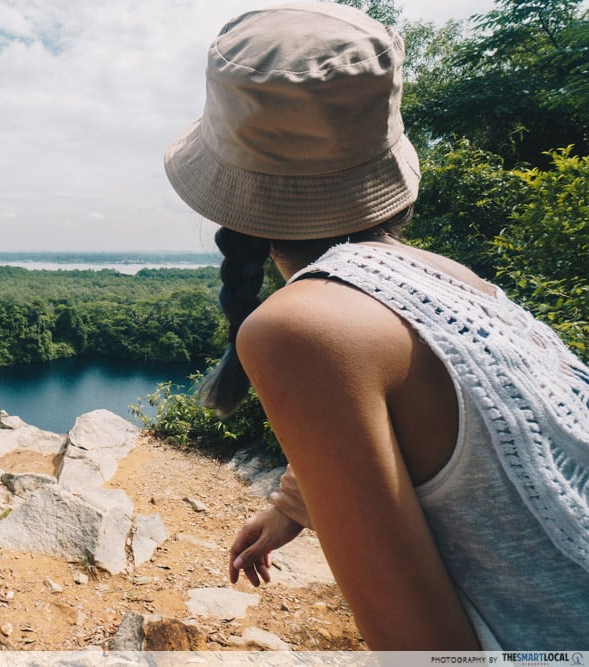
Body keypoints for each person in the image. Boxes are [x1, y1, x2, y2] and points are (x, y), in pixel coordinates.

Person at [164, 2, 589, 650]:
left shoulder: (296, 328)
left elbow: (425, 651)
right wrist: (292, 504)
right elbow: (445, 435)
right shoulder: (450, 277)